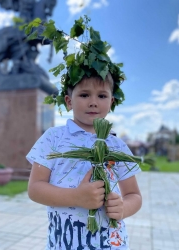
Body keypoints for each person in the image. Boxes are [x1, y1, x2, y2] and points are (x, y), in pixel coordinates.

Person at [26, 17, 142, 250]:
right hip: (64, 243)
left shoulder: (116, 145)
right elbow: (35, 189)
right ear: (69, 101)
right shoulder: (53, 138)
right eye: (84, 95)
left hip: (111, 244)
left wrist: (124, 208)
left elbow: (134, 195)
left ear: (111, 101)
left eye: (101, 96)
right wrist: (77, 198)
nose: (93, 102)